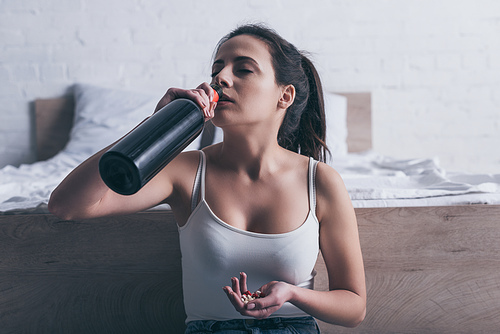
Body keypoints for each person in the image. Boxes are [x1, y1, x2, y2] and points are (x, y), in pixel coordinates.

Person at [49, 24, 366, 333]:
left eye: (243, 70)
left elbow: (354, 307)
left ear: (284, 96)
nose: (220, 78)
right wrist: (153, 128)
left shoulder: (320, 181)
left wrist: (293, 294)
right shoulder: (184, 171)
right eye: (218, 68)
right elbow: (67, 205)